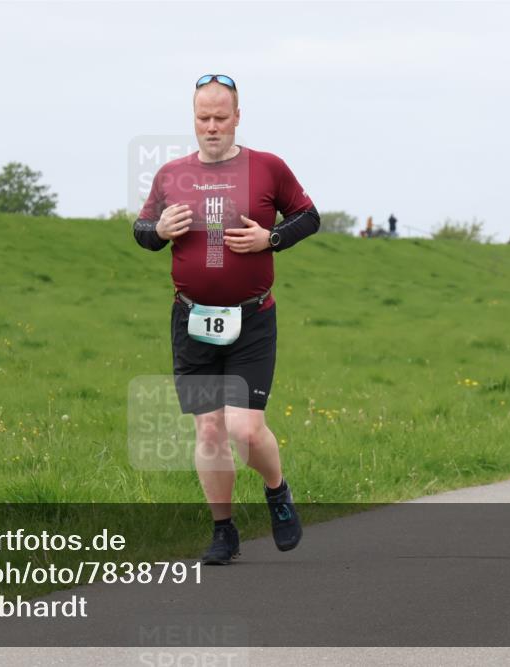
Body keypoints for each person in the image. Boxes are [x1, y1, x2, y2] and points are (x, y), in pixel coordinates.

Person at [133, 74, 320, 564]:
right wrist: (159, 230)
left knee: (245, 430)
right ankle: (223, 531)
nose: (212, 126)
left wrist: (270, 239)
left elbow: (308, 216)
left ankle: (277, 491)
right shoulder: (171, 174)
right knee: (210, 431)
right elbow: (142, 229)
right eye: (203, 118)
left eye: (221, 117)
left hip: (251, 320)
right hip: (192, 320)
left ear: (238, 117)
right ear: (193, 119)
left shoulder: (268, 167)